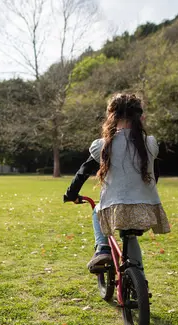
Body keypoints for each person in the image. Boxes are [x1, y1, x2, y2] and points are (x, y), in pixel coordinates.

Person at [63, 93, 170, 274]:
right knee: (131, 237)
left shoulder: (104, 145)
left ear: (111, 116)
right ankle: (140, 278)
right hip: (146, 209)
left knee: (97, 211)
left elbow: (84, 170)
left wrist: (71, 194)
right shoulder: (149, 143)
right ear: (139, 117)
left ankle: (103, 249)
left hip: (115, 209)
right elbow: (155, 174)